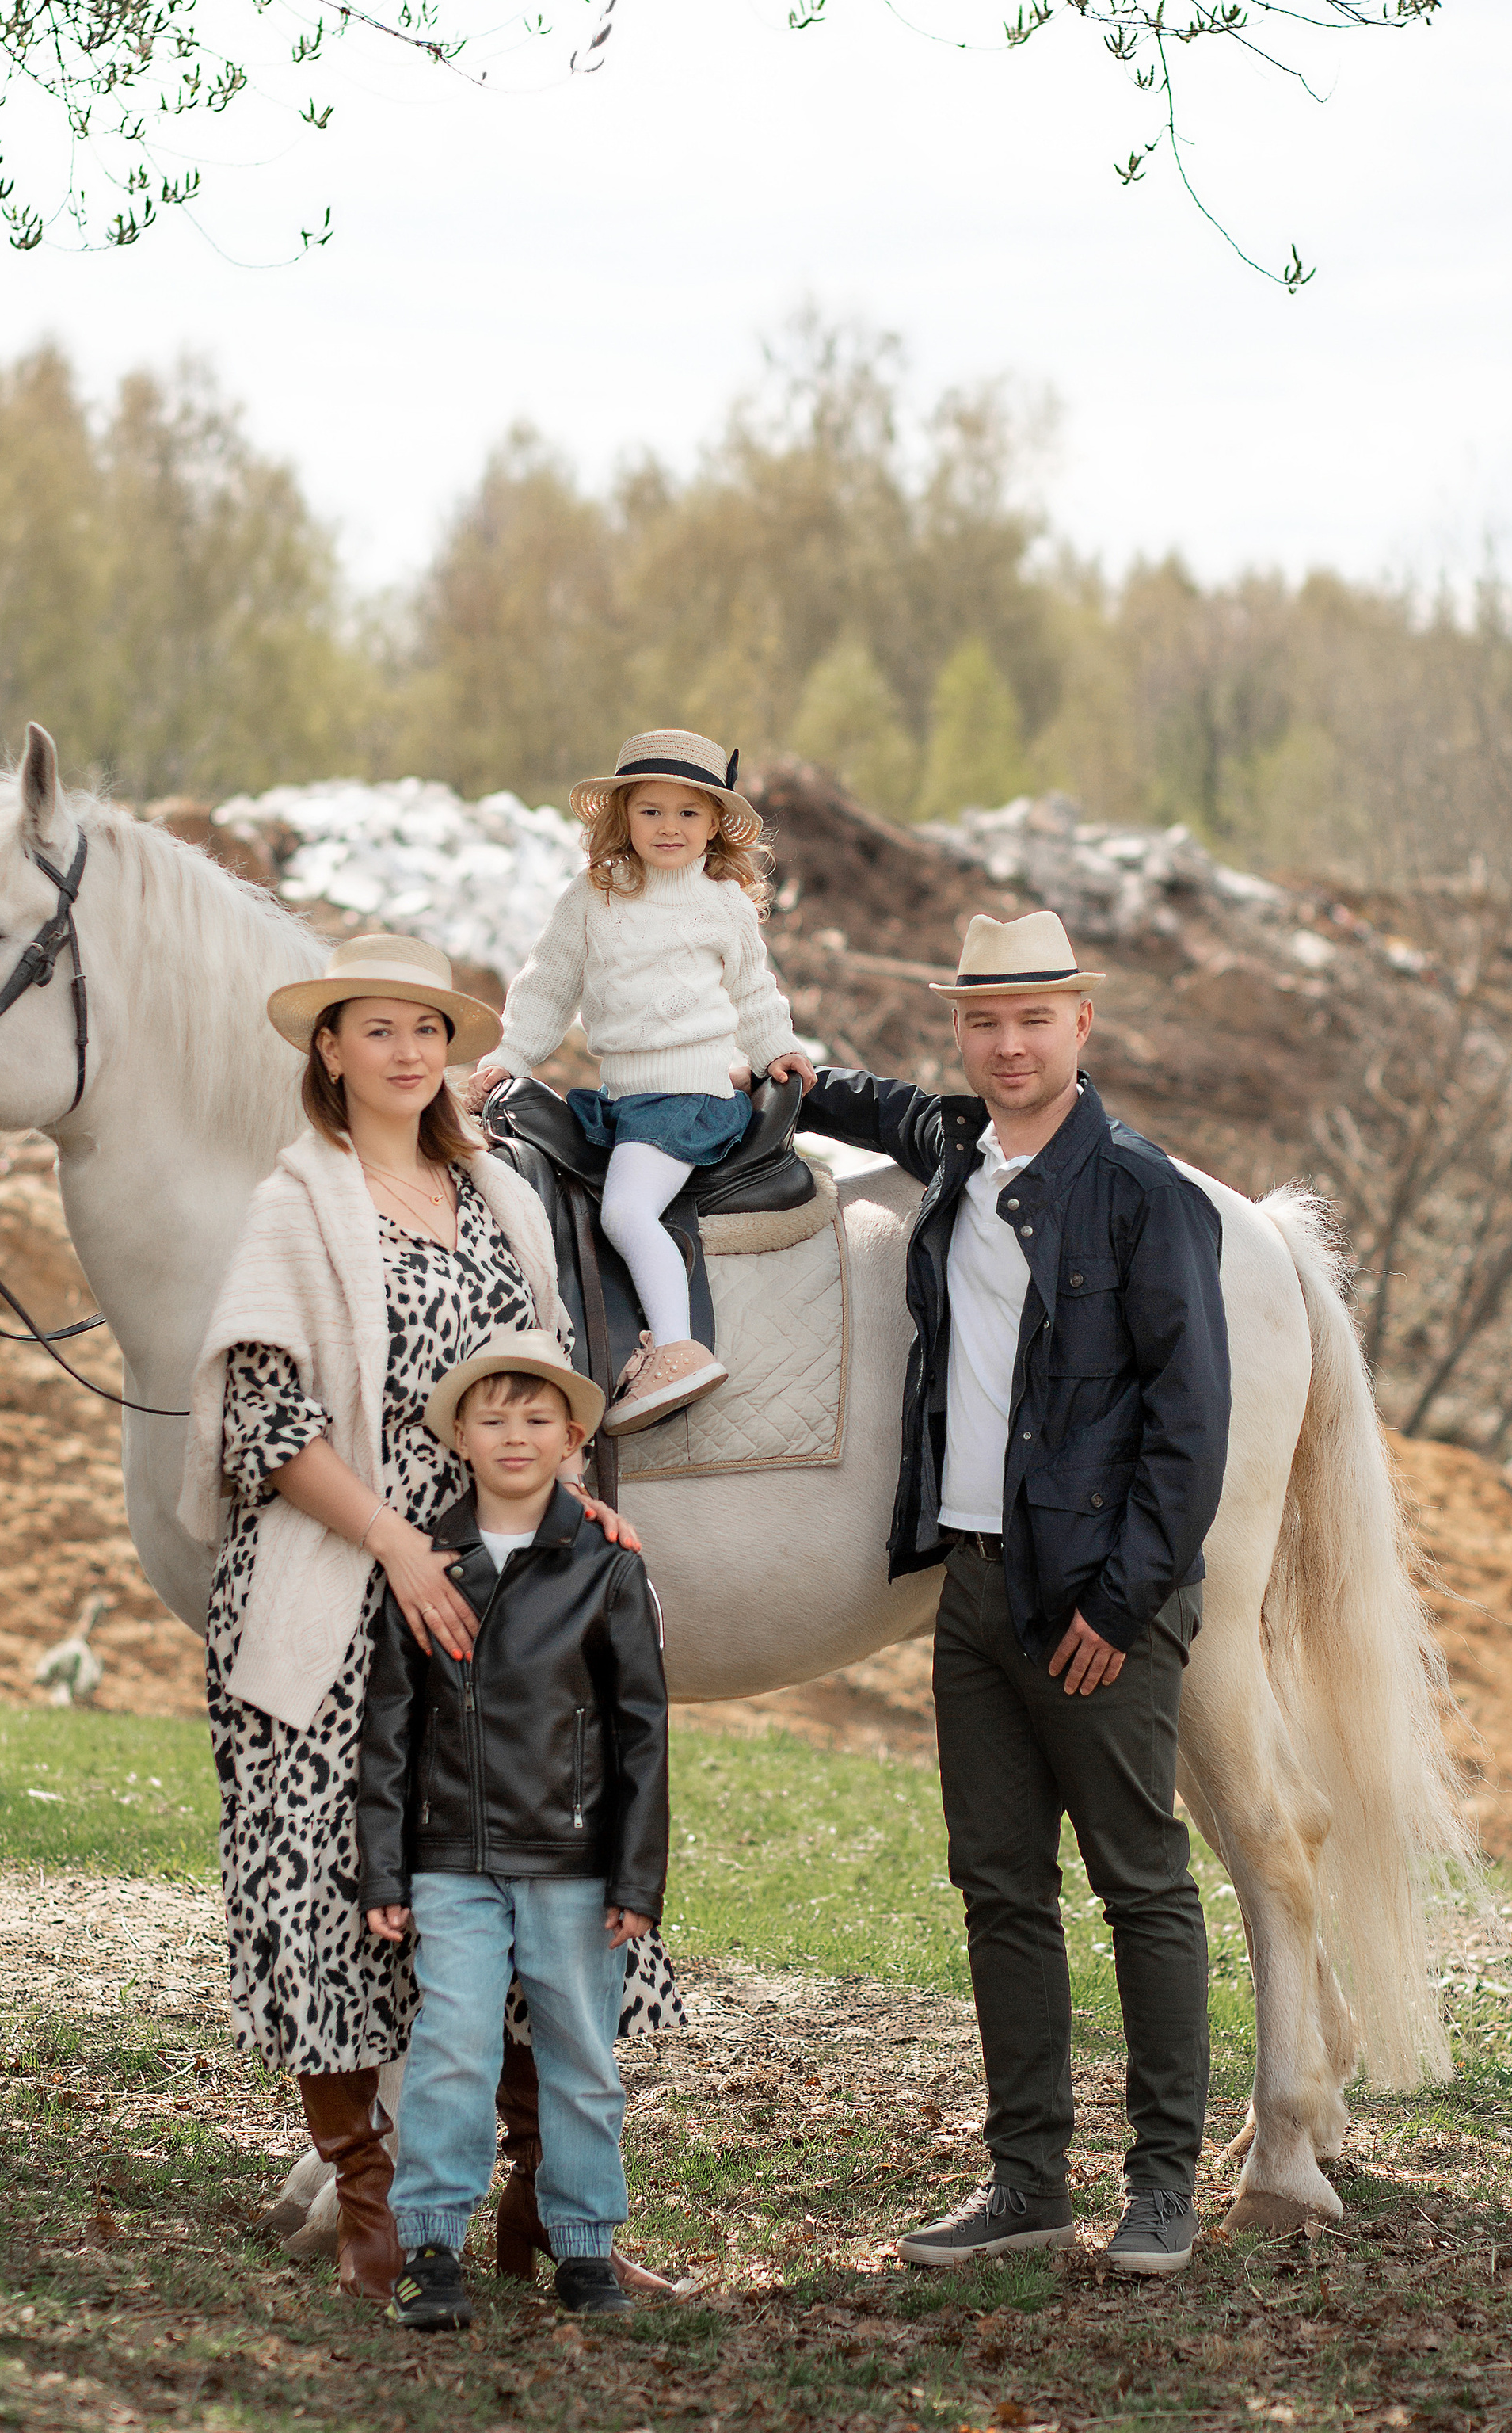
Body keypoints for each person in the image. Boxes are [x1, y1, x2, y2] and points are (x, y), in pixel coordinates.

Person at [178, 934, 684, 2305]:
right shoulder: (299, 1198)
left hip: (498, 1591)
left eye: (427, 1029)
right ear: (329, 1050)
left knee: (535, 1865)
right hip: (343, 1579)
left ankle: (547, 2208)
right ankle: (374, 2206)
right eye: (376, 1028)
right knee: (336, 1896)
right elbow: (268, 1418)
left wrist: (577, 1500)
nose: (407, 1051)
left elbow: (536, 1389)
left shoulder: (498, 1192)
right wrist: (400, 1540)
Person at [797, 910, 1232, 2277]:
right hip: (973, 1586)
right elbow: (882, 1104)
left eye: (1034, 1016)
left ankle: (1162, 2181)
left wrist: (1122, 1600)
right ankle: (1026, 2178)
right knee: (998, 1886)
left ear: (1081, 1024)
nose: (1008, 1041)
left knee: (1141, 1879)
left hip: (1099, 1597)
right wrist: (792, 1079)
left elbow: (1192, 1423)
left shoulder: (1144, 1192)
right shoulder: (960, 1149)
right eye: (985, 1019)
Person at [356, 1332, 669, 2331]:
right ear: (461, 1435)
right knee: (452, 2045)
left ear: (573, 1437)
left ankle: (583, 2246)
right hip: (451, 1857)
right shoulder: (429, 1566)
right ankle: (431, 2246)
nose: (515, 1434)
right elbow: (389, 1728)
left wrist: (636, 1874)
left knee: (581, 2051)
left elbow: (640, 1730)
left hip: (575, 1860)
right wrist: (383, 1871)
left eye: (537, 1418)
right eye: (492, 1417)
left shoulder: (607, 1566)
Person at [462, 730, 819, 1436]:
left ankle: (677, 1349)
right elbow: (547, 987)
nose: (669, 827)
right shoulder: (591, 899)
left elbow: (752, 992)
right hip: (628, 1098)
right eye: (651, 810)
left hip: (692, 1098)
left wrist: (778, 1047)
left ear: (716, 824)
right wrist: (512, 1055)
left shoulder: (724, 903)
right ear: (621, 816)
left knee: (625, 1211)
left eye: (688, 814)